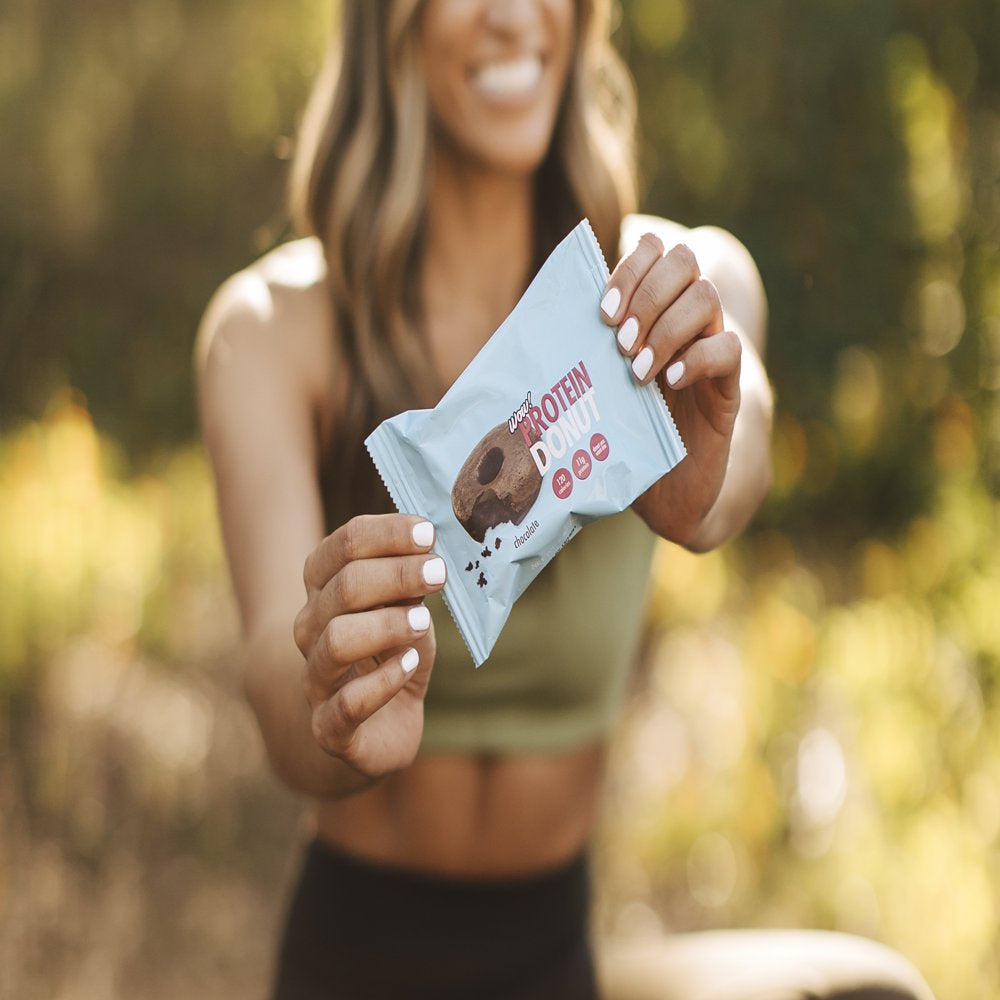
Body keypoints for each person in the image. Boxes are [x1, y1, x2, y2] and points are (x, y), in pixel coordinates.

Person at [196, 2, 936, 998]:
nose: (514, 13)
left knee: (873, 989)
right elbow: (268, 679)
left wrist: (700, 474)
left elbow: (739, 450)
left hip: (556, 958)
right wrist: (328, 702)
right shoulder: (272, 331)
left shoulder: (680, 290)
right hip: (356, 956)